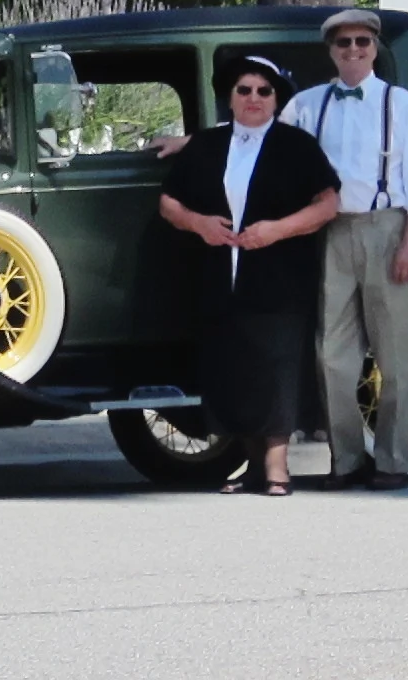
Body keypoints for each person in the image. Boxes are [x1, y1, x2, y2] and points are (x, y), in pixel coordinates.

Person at [160, 57, 341, 495]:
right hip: (220, 273)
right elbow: (169, 202)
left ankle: (278, 466)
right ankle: (252, 466)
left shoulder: (295, 145)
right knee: (231, 366)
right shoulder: (207, 145)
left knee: (277, 365)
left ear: (276, 98)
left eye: (264, 91)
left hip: (279, 275)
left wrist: (277, 230)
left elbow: (328, 203)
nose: (254, 99)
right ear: (231, 98)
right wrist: (199, 223)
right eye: (245, 91)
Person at [280, 9, 408, 491]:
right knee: (332, 355)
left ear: (375, 49)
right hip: (332, 232)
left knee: (396, 356)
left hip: (390, 229)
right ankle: (345, 460)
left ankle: (393, 460)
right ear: (330, 50)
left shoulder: (400, 104)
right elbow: (263, 140)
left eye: (362, 43)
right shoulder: (309, 105)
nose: (353, 50)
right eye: (344, 43)